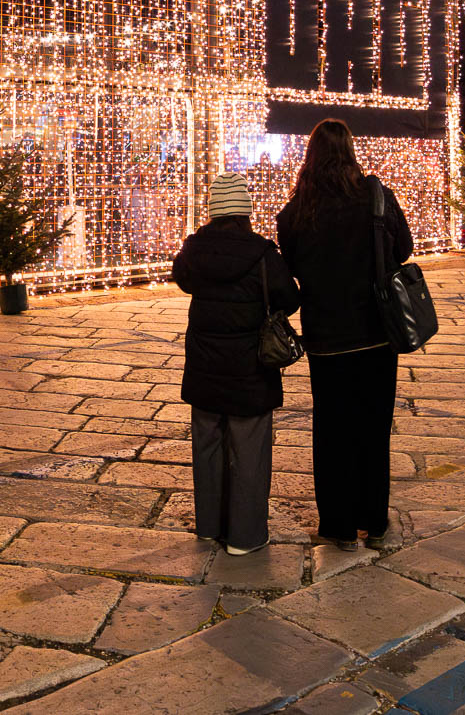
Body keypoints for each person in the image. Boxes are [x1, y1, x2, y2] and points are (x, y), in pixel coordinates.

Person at [276, 119, 412, 552]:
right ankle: (374, 522)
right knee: (373, 427)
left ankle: (336, 523)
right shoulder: (376, 196)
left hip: (327, 340)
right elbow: (404, 249)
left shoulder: (295, 211)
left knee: (332, 429)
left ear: (310, 157)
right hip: (375, 334)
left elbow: (291, 266)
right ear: (350, 152)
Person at [171, 172, 298, 555]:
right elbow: (289, 299)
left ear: (212, 211)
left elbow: (183, 280)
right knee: (249, 451)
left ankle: (209, 526)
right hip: (249, 371)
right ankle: (245, 537)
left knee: (207, 446)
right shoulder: (261, 253)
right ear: (244, 211)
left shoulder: (194, 249)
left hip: (206, 367)